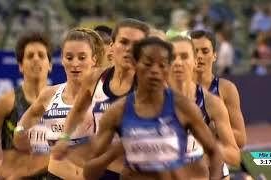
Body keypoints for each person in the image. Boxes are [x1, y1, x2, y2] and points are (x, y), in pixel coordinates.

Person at [86, 37, 223, 180]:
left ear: (168, 67)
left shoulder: (183, 108)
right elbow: (89, 172)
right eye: (148, 63)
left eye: (162, 65)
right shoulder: (117, 112)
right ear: (135, 64)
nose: (155, 71)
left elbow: (214, 153)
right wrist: (114, 152)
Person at [51, 18, 150, 180]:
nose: (129, 49)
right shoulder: (95, 78)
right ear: (112, 46)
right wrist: (64, 138)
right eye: (124, 42)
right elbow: (77, 110)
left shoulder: (152, 87)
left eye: (136, 44)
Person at [13, 28, 105, 179]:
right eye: (69, 57)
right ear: (62, 59)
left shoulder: (104, 95)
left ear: (93, 59)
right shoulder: (49, 94)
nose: (75, 64)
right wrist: (20, 133)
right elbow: (21, 128)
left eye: (82, 58)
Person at [0, 32, 53, 179]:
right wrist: (2, 170)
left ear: (50, 65)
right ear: (20, 66)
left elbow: (70, 148)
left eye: (41, 55)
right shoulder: (7, 102)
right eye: (30, 56)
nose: (36, 60)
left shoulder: (60, 102)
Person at [169, 36, 240, 179]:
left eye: (184, 57)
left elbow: (234, 155)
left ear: (195, 61)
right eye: (172, 57)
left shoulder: (211, 102)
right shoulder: (153, 99)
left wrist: (203, 145)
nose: (178, 62)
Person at [190, 30, 247, 149]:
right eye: (195, 51)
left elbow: (241, 139)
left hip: (213, 161)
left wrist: (216, 131)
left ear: (215, 55)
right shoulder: (177, 87)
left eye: (205, 51)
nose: (199, 56)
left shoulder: (226, 89)